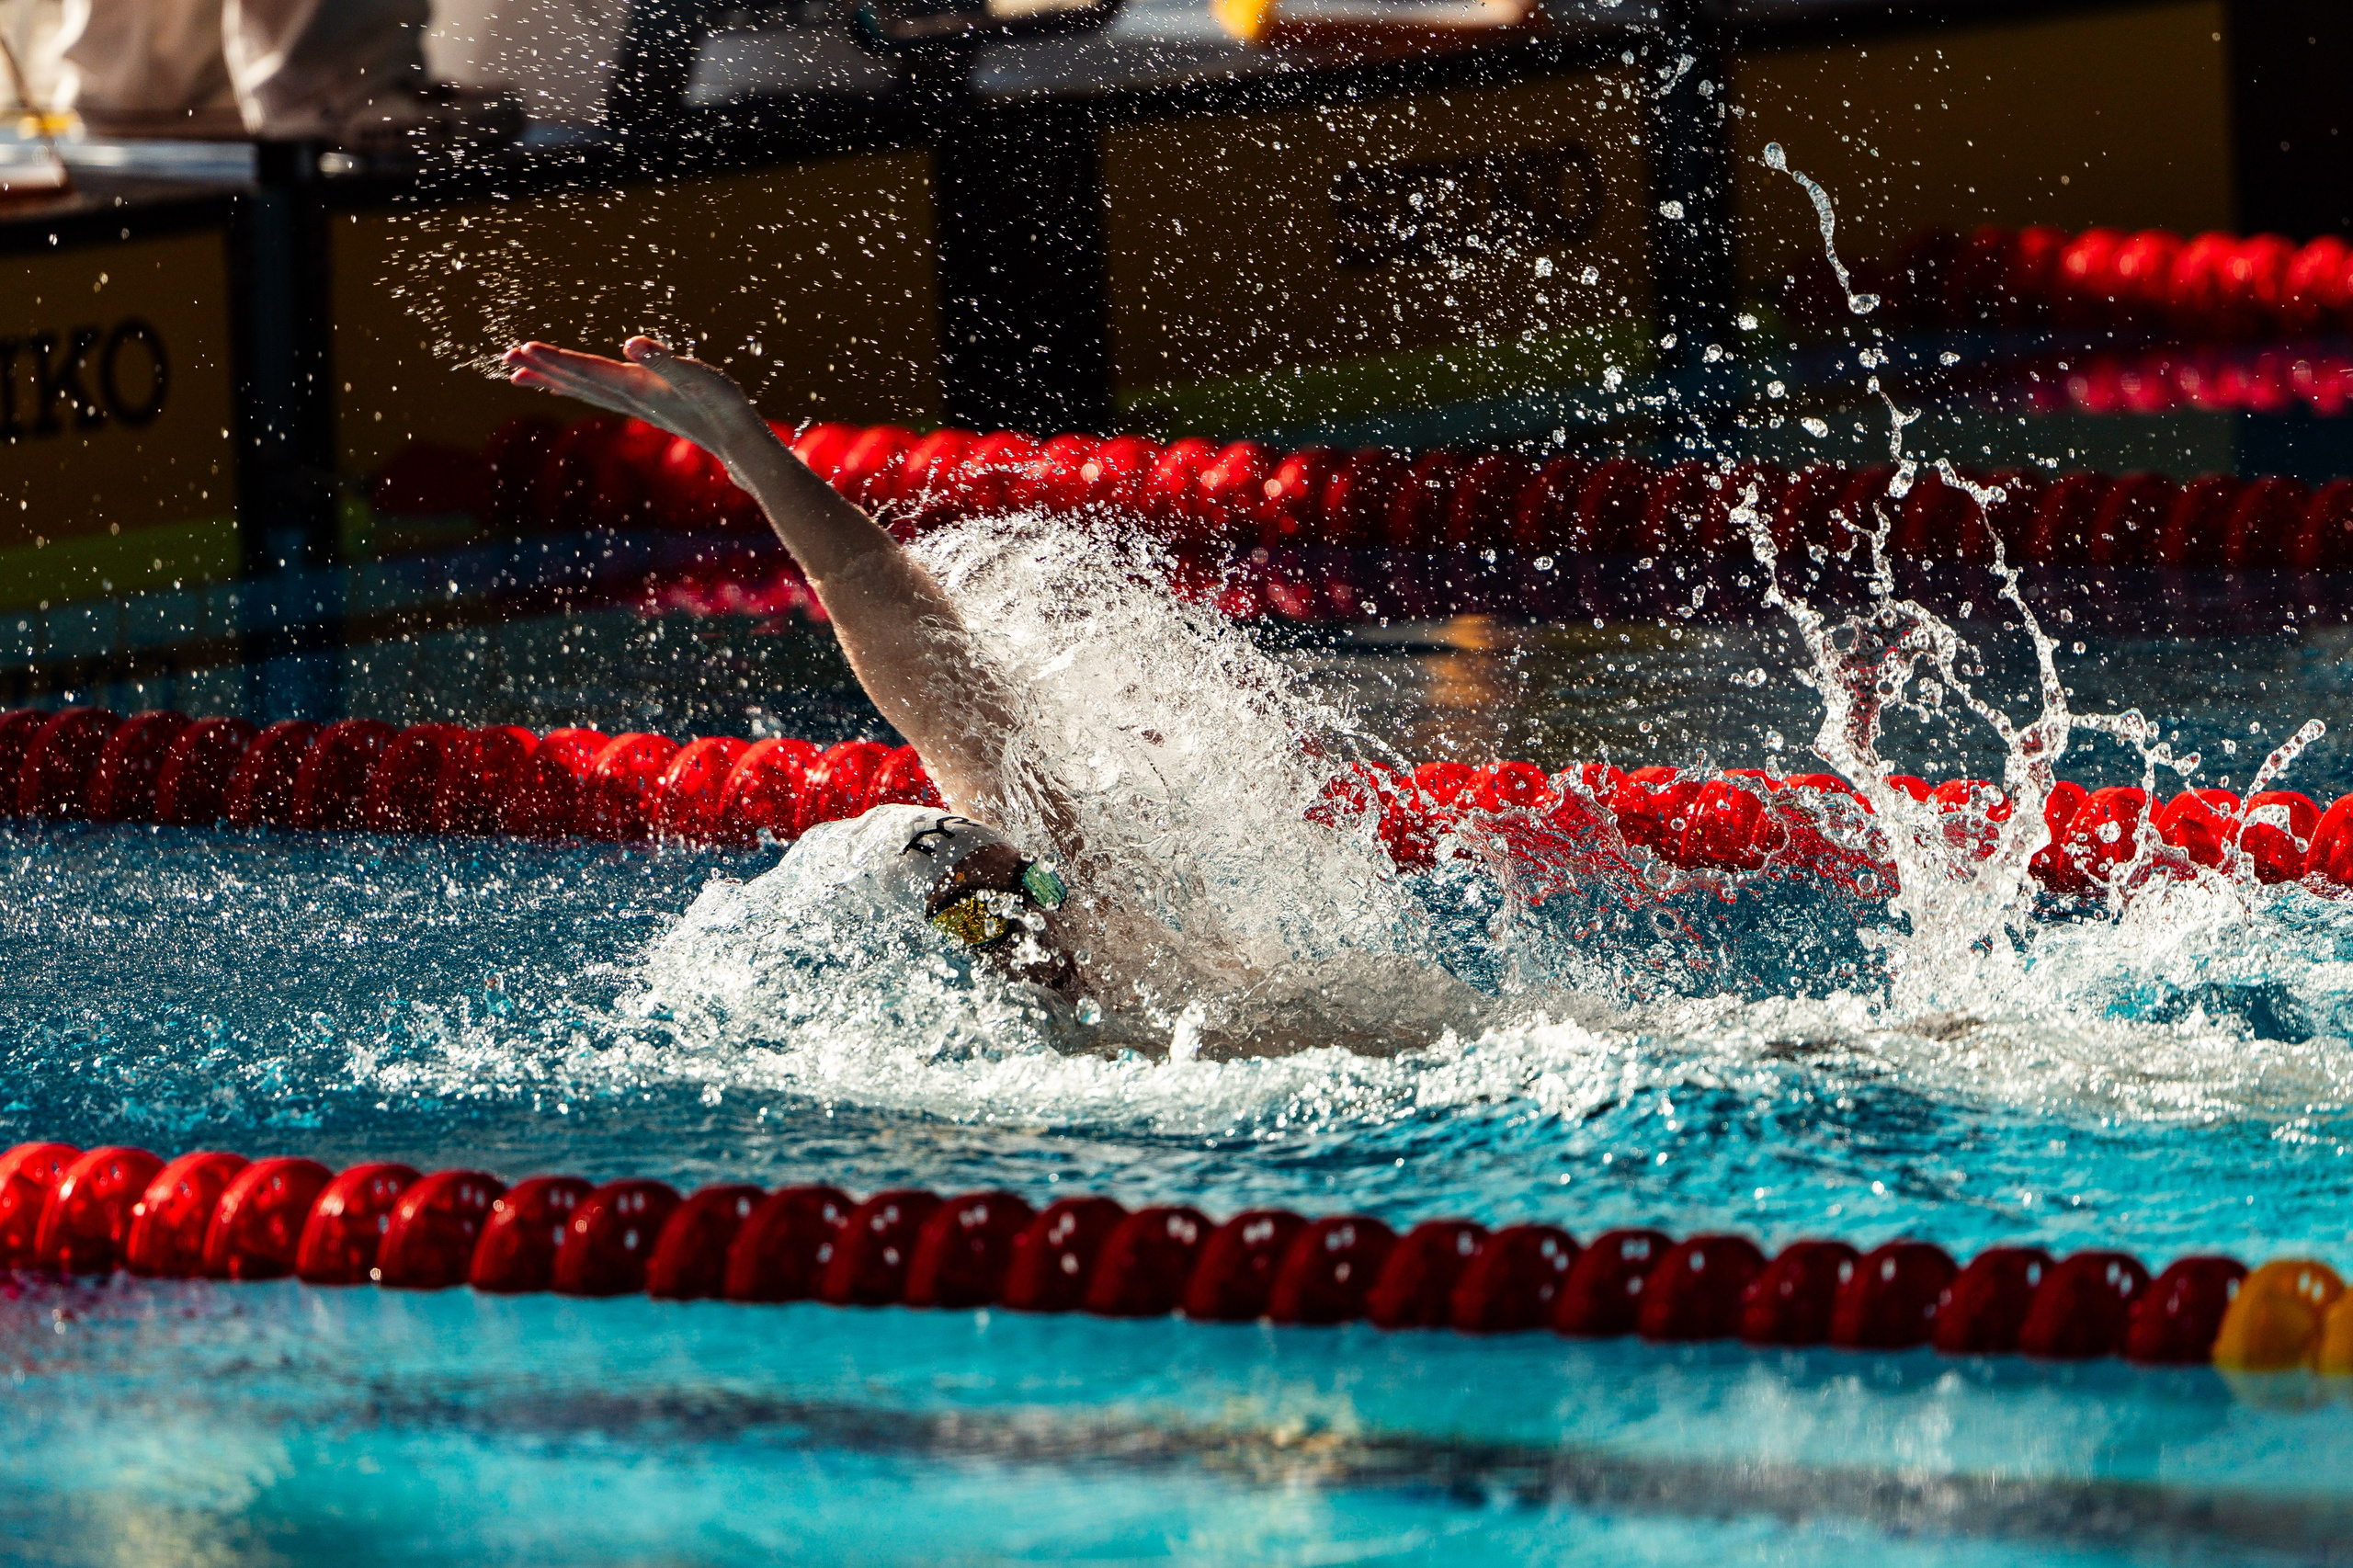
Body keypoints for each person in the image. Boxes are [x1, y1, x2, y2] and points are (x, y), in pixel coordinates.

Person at [506, 336, 1491, 1058]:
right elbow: (912, 653)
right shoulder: (1120, 955)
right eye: (973, 912)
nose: (992, 932)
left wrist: (744, 447)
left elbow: (910, 647)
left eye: (976, 912)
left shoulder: (1130, 985)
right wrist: (741, 446)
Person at [506, 336, 1092, 1005]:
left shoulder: (1128, 949)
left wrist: (747, 452)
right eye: (976, 920)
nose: (1029, 930)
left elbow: (901, 636)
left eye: (1037, 887)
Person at [48, 0, 518, 146]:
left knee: (154, 75)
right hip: (320, 101)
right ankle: (341, 83)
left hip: (130, 106)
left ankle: (148, 70)